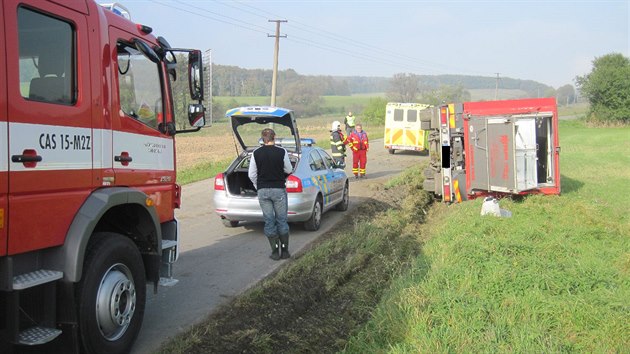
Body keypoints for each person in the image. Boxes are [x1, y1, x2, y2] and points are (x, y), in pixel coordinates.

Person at [248, 128, 293, 260]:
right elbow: (289, 169)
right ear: (275, 137)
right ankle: (284, 251)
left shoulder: (256, 153)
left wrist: (258, 186)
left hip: (263, 191)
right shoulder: (282, 151)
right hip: (278, 189)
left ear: (262, 139)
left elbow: (251, 174)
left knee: (269, 221)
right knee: (281, 220)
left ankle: (275, 251)